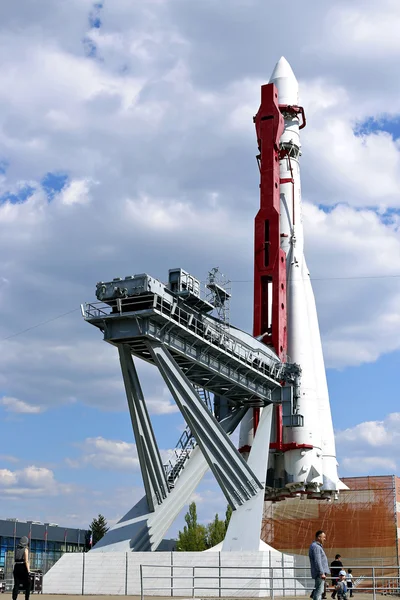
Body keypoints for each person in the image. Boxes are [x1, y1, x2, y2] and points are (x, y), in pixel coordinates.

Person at [309, 530, 329, 600]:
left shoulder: (315, 546)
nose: (325, 539)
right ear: (319, 537)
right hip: (319, 573)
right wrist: (321, 573)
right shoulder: (316, 547)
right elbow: (318, 561)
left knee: (319, 590)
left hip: (319, 572)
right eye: (324, 537)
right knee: (319, 590)